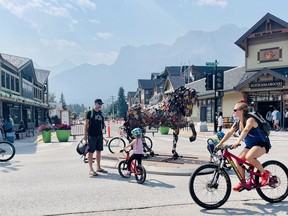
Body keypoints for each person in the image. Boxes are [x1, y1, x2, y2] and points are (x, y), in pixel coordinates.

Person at [215, 100, 271, 191]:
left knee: (249, 156)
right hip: (250, 146)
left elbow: (246, 130)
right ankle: (243, 182)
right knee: (239, 161)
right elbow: (229, 132)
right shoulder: (238, 122)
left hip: (262, 144)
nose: (233, 112)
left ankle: (265, 173)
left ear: (241, 111)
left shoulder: (250, 119)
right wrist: (220, 143)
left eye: (235, 110)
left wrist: (238, 141)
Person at [84, 99, 107, 176]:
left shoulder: (100, 113)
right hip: (92, 135)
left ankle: (98, 167)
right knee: (91, 152)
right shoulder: (90, 112)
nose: (100, 105)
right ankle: (91, 169)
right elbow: (86, 124)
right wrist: (85, 136)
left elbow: (100, 125)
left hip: (99, 135)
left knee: (99, 151)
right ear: (95, 103)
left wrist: (103, 137)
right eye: (99, 103)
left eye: (101, 104)